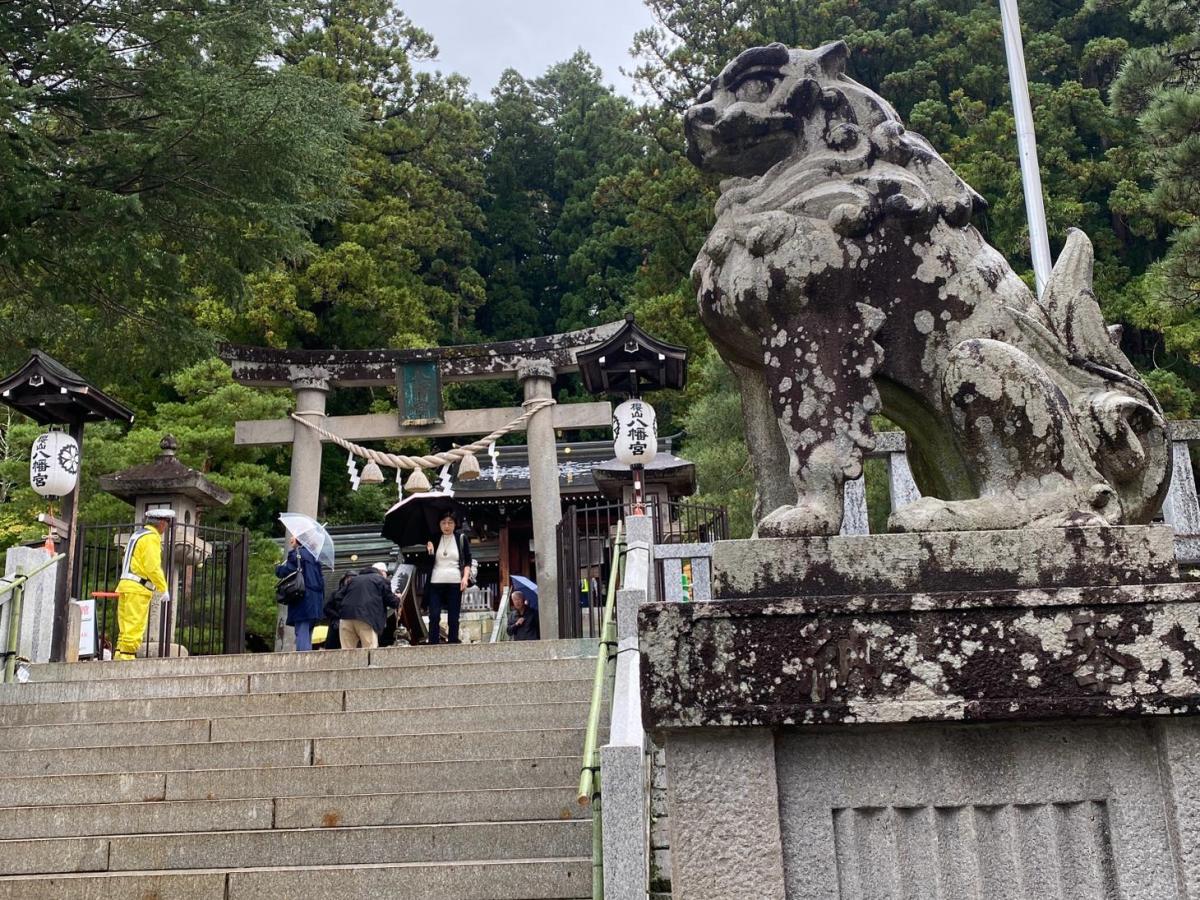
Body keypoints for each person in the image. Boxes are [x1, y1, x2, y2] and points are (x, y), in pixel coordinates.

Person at [115, 508, 173, 660]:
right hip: (138, 588)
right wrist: (163, 588)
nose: (166, 528)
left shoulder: (137, 535)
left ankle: (119, 659)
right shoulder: (151, 538)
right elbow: (152, 567)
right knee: (134, 626)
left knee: (125, 628)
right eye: (167, 523)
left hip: (126, 585)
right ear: (161, 523)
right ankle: (127, 661)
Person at [425, 512, 471, 644]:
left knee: (453, 616)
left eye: (450, 522)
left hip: (454, 581)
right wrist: (430, 552)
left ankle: (453, 641)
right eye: (443, 523)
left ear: (455, 524)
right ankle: (433, 642)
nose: (447, 526)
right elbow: (427, 564)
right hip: (435, 581)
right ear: (439, 525)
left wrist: (465, 578)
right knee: (434, 615)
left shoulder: (461, 538)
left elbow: (467, 561)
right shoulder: (434, 539)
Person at [275, 536, 324, 651]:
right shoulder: (315, 557)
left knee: (301, 632)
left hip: (302, 599)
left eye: (294, 536)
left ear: (300, 540)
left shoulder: (296, 554)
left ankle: (303, 659)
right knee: (308, 633)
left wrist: (278, 568)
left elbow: (287, 571)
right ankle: (307, 657)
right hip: (315, 601)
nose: (291, 539)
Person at [337, 561, 397, 649]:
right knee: (370, 650)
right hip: (367, 619)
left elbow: (338, 597)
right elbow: (392, 601)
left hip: (345, 618)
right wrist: (398, 598)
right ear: (382, 572)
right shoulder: (381, 580)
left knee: (347, 651)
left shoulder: (353, 580)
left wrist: (342, 610)